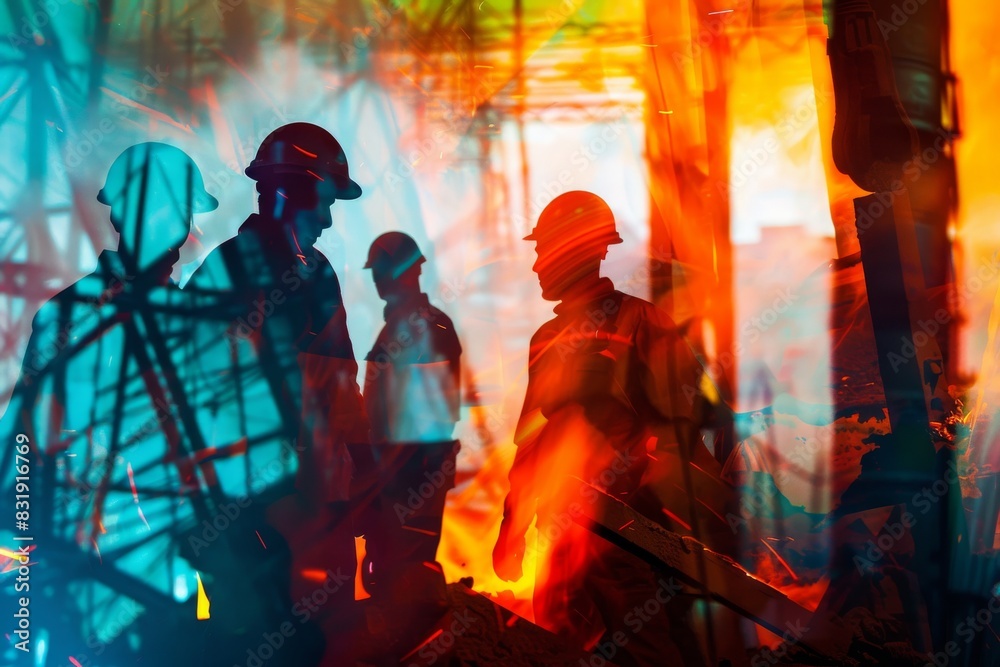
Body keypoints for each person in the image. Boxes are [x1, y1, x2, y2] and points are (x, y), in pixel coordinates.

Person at [0, 142, 219, 664]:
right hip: (102, 565)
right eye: (176, 212)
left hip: (183, 562)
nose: (184, 233)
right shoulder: (71, 319)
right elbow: (28, 441)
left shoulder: (193, 319)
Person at [492, 191, 729, 667]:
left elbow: (687, 430)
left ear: (578, 248)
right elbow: (532, 442)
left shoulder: (641, 322)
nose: (537, 265)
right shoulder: (548, 339)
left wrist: (675, 524)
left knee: (642, 651)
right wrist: (513, 526)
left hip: (627, 540)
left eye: (542, 250)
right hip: (563, 540)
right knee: (560, 648)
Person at [184, 122, 369, 630]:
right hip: (256, 515)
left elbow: (341, 388)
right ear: (291, 189)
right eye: (325, 202)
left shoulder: (314, 274)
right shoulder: (232, 275)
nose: (329, 220)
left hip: (297, 510)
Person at [359, 232, 462, 629]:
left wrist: (384, 485)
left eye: (383, 271)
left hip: (410, 481)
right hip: (396, 481)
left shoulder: (426, 330)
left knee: (409, 588)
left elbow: (429, 424)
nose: (378, 281)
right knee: (391, 582)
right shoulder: (400, 330)